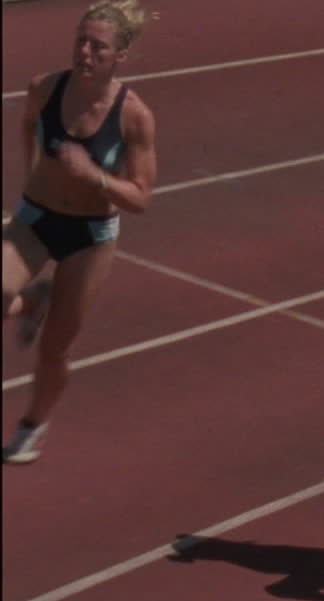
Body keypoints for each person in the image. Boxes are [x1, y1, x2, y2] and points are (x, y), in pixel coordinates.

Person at [2, 0, 157, 464]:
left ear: (120, 56)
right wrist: (30, 180)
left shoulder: (134, 117)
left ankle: (32, 425)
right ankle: (32, 298)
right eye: (81, 41)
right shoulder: (45, 88)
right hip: (35, 219)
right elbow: (28, 126)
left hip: (89, 235)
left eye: (98, 47)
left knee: (55, 349)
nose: (85, 52)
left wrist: (94, 177)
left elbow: (141, 198)